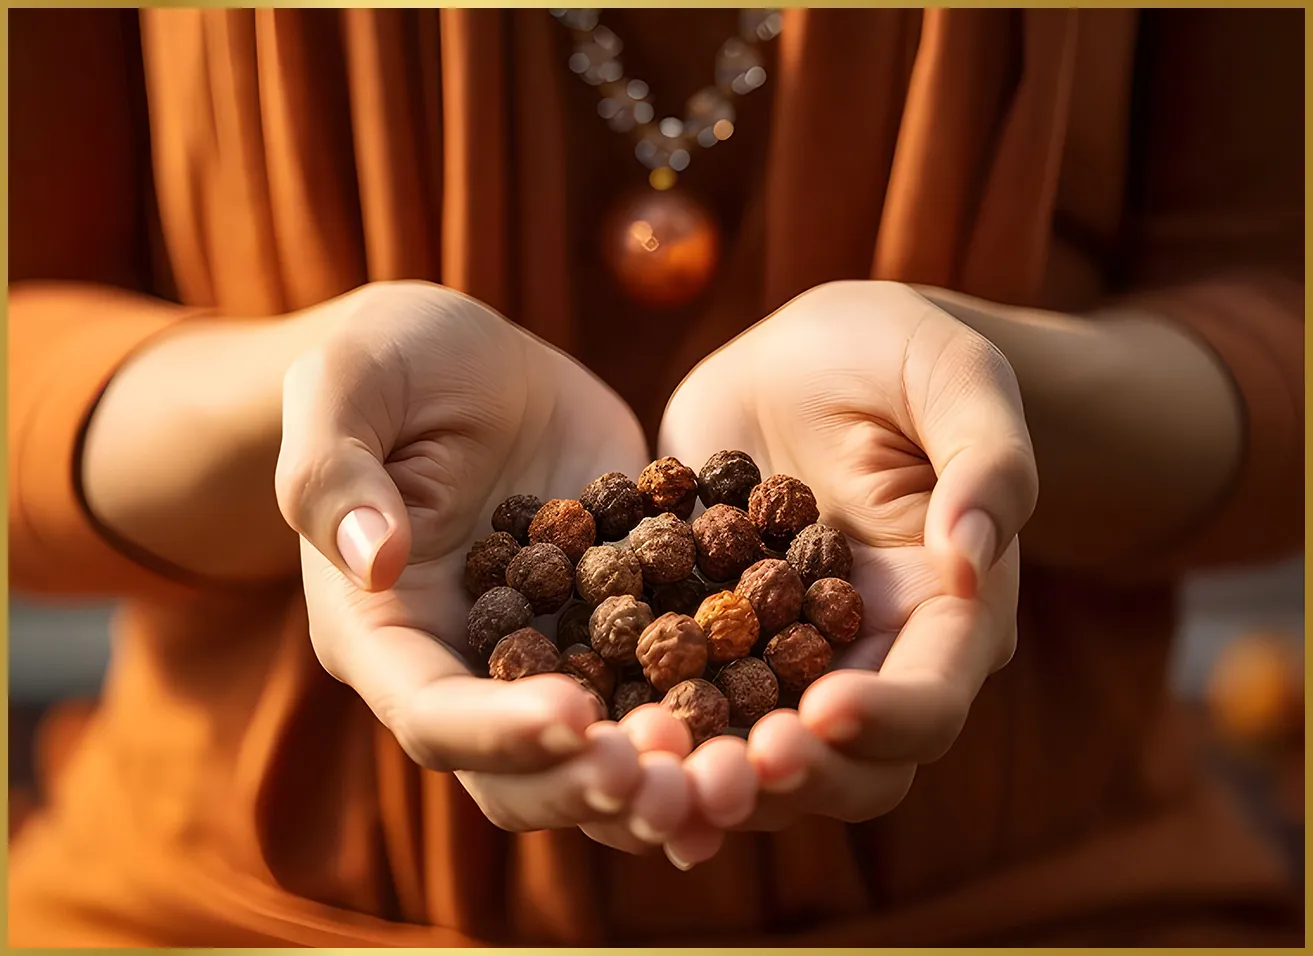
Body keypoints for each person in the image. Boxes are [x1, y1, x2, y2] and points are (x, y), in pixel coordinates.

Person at [8, 6, 1302, 947]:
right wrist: (307, 402)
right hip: (205, 907)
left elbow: (1280, 311)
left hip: (1070, 907)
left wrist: (998, 394)